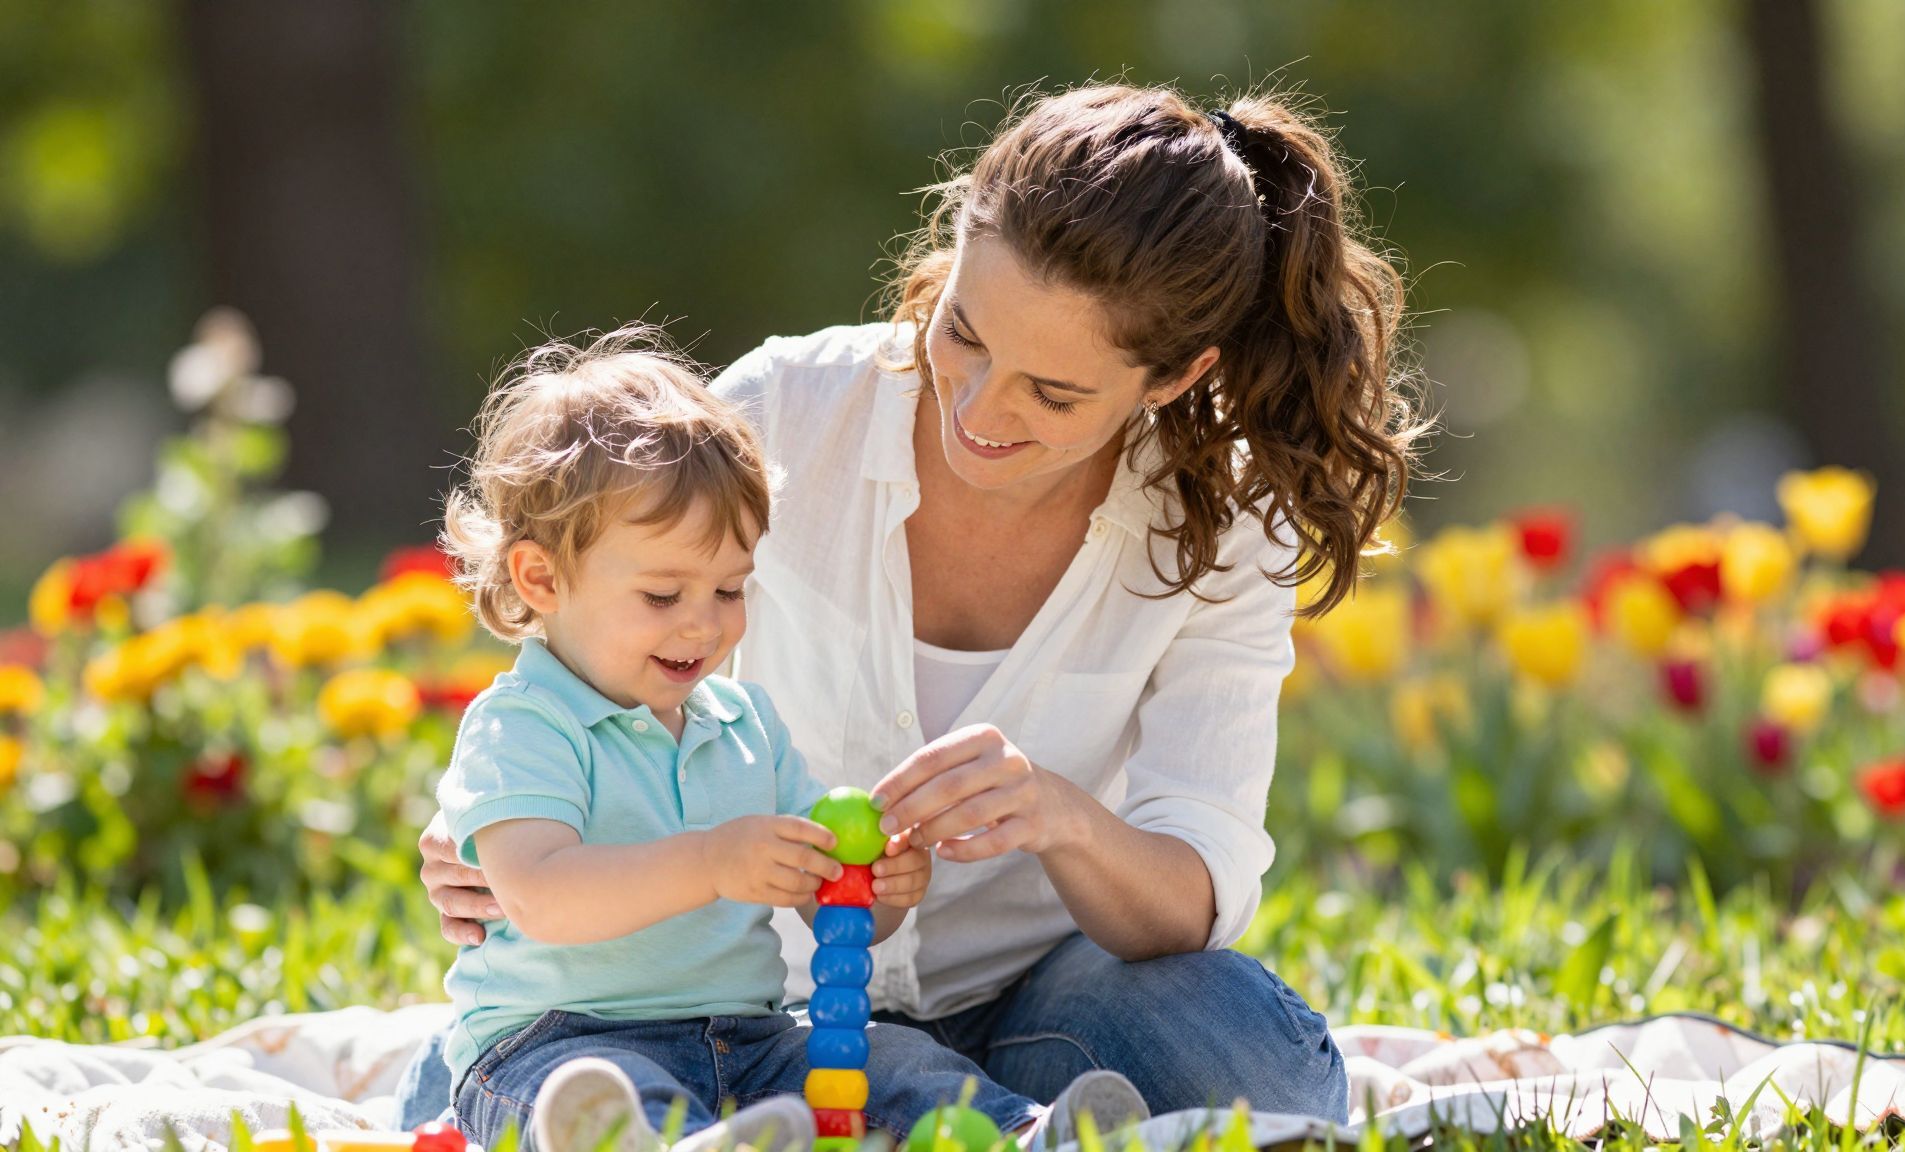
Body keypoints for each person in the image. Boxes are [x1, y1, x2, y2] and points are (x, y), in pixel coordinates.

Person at [403, 82, 1423, 1130]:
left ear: (1170, 378)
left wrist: (1055, 816)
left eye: (1053, 392)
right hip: (769, 1010)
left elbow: (1189, 893)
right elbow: (591, 618)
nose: (979, 407)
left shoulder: (1221, 525)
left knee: (1253, 1063)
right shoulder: (781, 414)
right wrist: (476, 836)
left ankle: (1015, 1119)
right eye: (964, 333)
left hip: (1038, 999)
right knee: (598, 1081)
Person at [427, 331, 1140, 1152]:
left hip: (749, 1039)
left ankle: (1030, 1135)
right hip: (558, 1041)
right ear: (542, 579)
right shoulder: (523, 725)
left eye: (730, 588)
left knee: (894, 1056)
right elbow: (541, 897)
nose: (705, 622)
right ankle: (661, 1142)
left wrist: (872, 886)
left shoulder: (745, 724)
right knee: (608, 1096)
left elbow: (834, 909)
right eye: (663, 594)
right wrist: (711, 862)